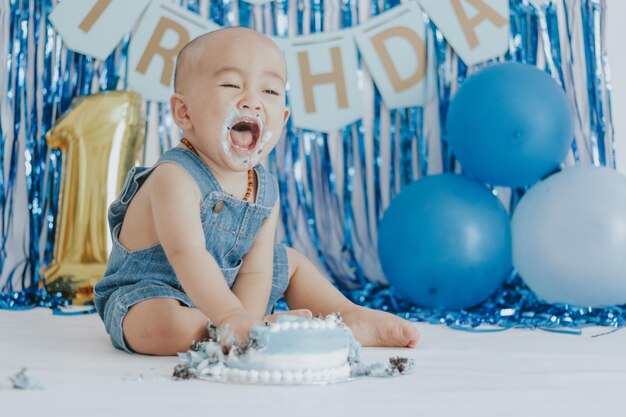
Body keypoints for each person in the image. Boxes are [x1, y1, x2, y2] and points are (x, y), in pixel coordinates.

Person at [94, 27, 419, 355]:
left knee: (289, 262)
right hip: (153, 293)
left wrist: (245, 319)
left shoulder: (265, 189)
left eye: (270, 91)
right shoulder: (174, 176)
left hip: (229, 293)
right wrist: (231, 317)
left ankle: (346, 315)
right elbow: (186, 254)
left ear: (284, 118)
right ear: (184, 112)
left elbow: (256, 270)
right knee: (159, 324)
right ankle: (236, 329)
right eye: (231, 85)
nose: (253, 100)